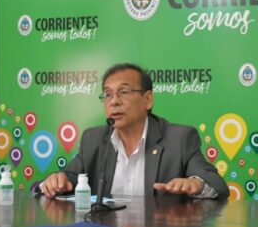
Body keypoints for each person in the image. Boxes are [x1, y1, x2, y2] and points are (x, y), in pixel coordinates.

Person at [39, 63, 229, 199]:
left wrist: (197, 184)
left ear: (148, 99)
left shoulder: (179, 139)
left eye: (124, 92)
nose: (114, 101)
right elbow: (71, 176)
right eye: (107, 94)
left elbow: (217, 184)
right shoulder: (93, 139)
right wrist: (58, 180)